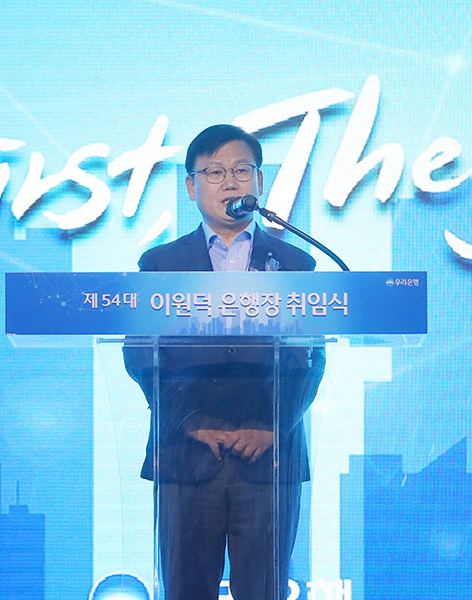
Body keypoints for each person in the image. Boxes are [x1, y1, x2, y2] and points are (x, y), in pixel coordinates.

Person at [124, 124, 325, 600]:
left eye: (241, 170)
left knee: (265, 591)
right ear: (191, 186)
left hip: (269, 458)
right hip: (186, 454)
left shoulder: (297, 265)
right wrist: (191, 422)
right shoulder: (159, 265)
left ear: (260, 181)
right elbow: (140, 355)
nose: (230, 182)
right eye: (214, 172)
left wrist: (273, 426)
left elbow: (310, 358)